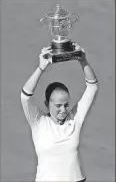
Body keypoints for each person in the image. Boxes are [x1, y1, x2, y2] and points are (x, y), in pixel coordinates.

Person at [21, 43, 98, 182]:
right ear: (47, 104)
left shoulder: (75, 118)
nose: (64, 110)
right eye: (58, 106)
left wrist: (82, 60)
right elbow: (25, 97)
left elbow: (92, 86)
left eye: (66, 105)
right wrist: (41, 67)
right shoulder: (38, 121)